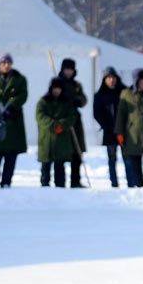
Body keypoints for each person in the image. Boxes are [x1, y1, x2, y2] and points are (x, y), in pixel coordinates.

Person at [0, 53, 28, 187]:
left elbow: (23, 94)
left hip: (13, 120)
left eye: (8, 63)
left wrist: (12, 105)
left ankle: (6, 181)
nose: (6, 65)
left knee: (11, 154)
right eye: (3, 63)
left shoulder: (19, 79)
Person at [36, 77, 76, 187]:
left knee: (60, 166)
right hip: (46, 139)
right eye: (54, 88)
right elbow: (40, 116)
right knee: (45, 166)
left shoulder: (67, 103)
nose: (56, 91)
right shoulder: (43, 101)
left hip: (61, 140)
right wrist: (53, 125)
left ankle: (60, 187)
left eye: (58, 88)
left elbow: (72, 117)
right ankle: (44, 187)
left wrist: (62, 125)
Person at [93, 66, 127, 187]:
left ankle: (131, 181)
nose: (111, 80)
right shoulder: (100, 95)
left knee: (127, 157)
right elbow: (97, 113)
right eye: (109, 78)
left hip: (124, 131)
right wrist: (106, 125)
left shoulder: (124, 92)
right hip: (109, 131)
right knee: (112, 158)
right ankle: (114, 182)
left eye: (113, 78)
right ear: (105, 80)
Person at [58, 58, 88, 188]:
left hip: (75, 121)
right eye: (66, 69)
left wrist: (78, 100)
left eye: (70, 70)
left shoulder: (77, 85)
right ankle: (60, 181)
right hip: (62, 120)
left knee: (77, 152)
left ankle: (75, 181)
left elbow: (83, 98)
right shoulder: (57, 83)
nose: (68, 72)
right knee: (62, 153)